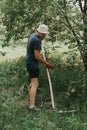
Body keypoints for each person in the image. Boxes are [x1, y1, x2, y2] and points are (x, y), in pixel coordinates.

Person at [26, 24, 54, 110]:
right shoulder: (36, 40)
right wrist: (46, 64)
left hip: (29, 62)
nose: (45, 36)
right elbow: (37, 56)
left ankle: (30, 100)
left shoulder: (32, 36)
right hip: (33, 64)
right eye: (43, 34)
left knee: (32, 83)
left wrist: (40, 40)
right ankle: (32, 106)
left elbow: (31, 46)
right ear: (40, 32)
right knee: (35, 83)